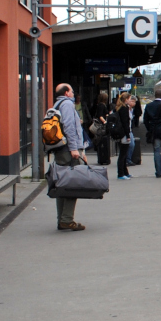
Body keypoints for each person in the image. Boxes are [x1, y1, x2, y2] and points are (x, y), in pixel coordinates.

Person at [50, 82, 89, 230]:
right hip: (68, 151)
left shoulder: (57, 104)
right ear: (67, 93)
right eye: (72, 91)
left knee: (62, 184)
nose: (73, 94)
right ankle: (67, 219)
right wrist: (75, 149)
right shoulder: (67, 104)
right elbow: (68, 127)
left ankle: (62, 219)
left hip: (62, 150)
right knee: (73, 184)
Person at [114, 92, 134, 180]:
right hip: (124, 134)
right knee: (123, 154)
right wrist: (128, 135)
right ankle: (121, 174)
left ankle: (125, 172)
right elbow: (125, 123)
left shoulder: (118, 108)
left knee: (124, 154)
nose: (130, 100)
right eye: (129, 99)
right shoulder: (124, 109)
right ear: (126, 100)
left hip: (120, 133)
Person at [89, 91, 111, 166]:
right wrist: (105, 122)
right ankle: (103, 157)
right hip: (101, 126)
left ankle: (102, 157)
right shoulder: (102, 105)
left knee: (101, 140)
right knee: (102, 140)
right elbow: (100, 115)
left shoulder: (99, 105)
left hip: (101, 125)